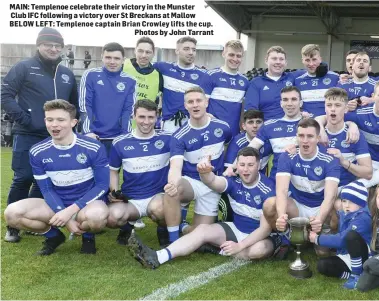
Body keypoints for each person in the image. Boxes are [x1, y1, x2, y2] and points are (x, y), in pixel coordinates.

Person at [128, 147, 281, 269]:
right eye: (242, 165)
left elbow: (265, 229)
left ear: (259, 166)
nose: (245, 169)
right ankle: (158, 257)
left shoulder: (268, 190)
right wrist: (204, 172)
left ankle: (216, 248)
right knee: (201, 230)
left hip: (261, 236)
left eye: (250, 165)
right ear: (237, 165)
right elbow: (214, 181)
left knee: (258, 251)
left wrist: (240, 245)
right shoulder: (234, 181)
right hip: (236, 228)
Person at [1, 27, 79, 243]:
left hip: (56, 138)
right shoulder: (24, 67)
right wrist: (25, 119)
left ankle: (31, 220)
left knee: (45, 180)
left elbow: (74, 106)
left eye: (57, 46)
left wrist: (74, 131)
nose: (53, 49)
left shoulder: (67, 74)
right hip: (28, 134)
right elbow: (5, 94)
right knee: (24, 177)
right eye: (48, 45)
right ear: (39, 45)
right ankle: (13, 226)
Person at [4, 100, 110, 255]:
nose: (54, 125)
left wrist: (70, 212)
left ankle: (88, 236)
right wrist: (65, 217)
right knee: (12, 214)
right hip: (55, 204)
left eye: (61, 120)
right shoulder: (37, 151)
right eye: (49, 119)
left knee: (97, 217)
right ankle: (53, 236)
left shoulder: (93, 147)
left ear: (73, 122)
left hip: (86, 205)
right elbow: (46, 189)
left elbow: (102, 186)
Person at [161, 86, 231, 244]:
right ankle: (173, 240)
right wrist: (172, 183)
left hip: (213, 184)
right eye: (190, 102)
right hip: (192, 182)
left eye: (199, 100)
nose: (195, 105)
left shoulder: (222, 127)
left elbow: (227, 147)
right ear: (185, 106)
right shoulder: (179, 136)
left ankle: (183, 227)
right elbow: (175, 167)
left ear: (207, 102)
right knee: (172, 191)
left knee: (202, 235)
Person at [107, 100, 171, 246]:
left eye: (151, 117)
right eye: (142, 117)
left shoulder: (168, 139)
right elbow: (113, 171)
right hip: (131, 199)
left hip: (157, 197)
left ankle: (163, 230)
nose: (146, 122)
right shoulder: (120, 142)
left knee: (161, 209)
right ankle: (127, 227)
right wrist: (115, 192)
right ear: (133, 116)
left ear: (157, 117)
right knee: (112, 217)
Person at [264, 118, 340, 240]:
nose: (305, 141)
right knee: (269, 204)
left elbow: (330, 196)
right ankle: (287, 238)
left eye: (310, 136)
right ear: (296, 137)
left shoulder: (329, 160)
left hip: (320, 207)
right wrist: (281, 216)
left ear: (318, 138)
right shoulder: (287, 157)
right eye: (301, 136)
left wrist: (319, 220)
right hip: (298, 205)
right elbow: (282, 191)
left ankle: (328, 240)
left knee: (322, 251)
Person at [225, 86, 303, 182]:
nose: (289, 103)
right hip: (277, 182)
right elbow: (251, 149)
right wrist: (233, 166)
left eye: (294, 99)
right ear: (281, 103)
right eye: (285, 100)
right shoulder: (269, 126)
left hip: (305, 183)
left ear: (301, 102)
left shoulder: (312, 124)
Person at [310, 180, 372, 290]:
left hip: (364, 256)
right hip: (347, 255)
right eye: (344, 201)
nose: (346, 205)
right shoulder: (345, 213)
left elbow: (342, 240)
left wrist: (317, 239)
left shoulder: (363, 218)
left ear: (361, 203)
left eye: (352, 202)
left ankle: (356, 275)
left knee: (351, 236)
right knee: (322, 266)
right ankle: (351, 275)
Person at [79, 42, 137, 154]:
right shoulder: (90, 75)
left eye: (116, 58)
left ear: (123, 60)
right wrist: (87, 132)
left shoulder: (131, 80)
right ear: (102, 57)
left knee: (113, 171)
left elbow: (128, 110)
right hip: (94, 137)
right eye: (108, 57)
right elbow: (85, 106)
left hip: (117, 138)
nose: (112, 62)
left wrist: (125, 135)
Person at [153, 37, 208, 133]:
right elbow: (143, 67)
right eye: (186, 49)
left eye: (193, 50)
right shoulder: (163, 68)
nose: (191, 52)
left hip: (193, 125)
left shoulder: (204, 75)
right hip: (168, 125)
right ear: (177, 51)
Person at [322, 88, 372, 188]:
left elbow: (368, 173)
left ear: (345, 109)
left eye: (337, 105)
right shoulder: (316, 132)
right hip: (318, 190)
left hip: (344, 189)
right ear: (324, 108)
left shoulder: (354, 135)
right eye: (329, 105)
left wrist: (343, 161)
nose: (332, 109)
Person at [203, 40, 249, 136]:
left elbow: (244, 109)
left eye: (238, 56)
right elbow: (201, 105)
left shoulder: (245, 81)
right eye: (231, 55)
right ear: (223, 54)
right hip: (213, 133)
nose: (235, 59)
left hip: (234, 134)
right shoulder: (211, 75)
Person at [245, 46, 295, 121]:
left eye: (281, 59)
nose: (278, 62)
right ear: (266, 61)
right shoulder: (256, 83)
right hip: (266, 128)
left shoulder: (293, 78)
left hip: (290, 128)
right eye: (274, 59)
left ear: (286, 62)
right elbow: (251, 110)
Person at [294, 44, 339, 117]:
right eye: (307, 60)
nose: (311, 64)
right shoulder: (297, 81)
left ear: (320, 59)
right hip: (307, 124)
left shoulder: (335, 78)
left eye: (314, 59)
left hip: (328, 124)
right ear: (302, 61)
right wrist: (301, 113)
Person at [224, 109, 271, 174]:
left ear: (264, 125)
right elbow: (229, 170)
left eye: (258, 122)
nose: (255, 126)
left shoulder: (269, 141)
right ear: (244, 126)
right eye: (250, 122)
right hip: (240, 179)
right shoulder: (237, 142)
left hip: (261, 178)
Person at [123, 36, 163, 103]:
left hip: (146, 113)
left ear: (153, 54)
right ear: (135, 51)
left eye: (148, 52)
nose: (144, 55)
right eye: (140, 51)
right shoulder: (123, 66)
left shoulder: (158, 75)